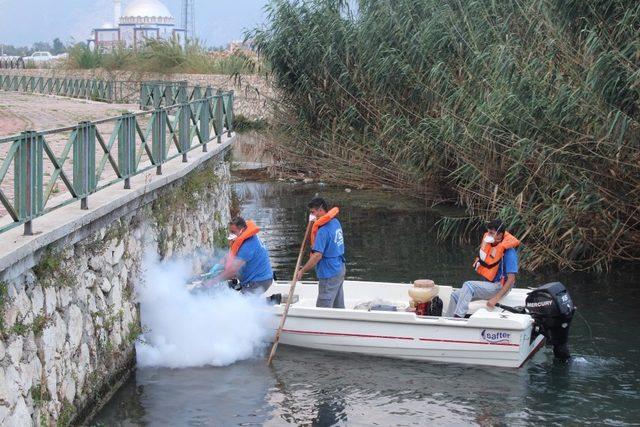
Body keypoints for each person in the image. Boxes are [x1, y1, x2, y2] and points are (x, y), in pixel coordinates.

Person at [445, 219, 520, 318]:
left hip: (499, 287)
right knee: (455, 296)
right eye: (488, 232)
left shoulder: (509, 252)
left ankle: (458, 318)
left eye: (492, 233)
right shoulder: (490, 244)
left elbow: (511, 279)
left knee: (468, 285)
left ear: (500, 235)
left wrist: (496, 299)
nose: (488, 235)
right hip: (489, 285)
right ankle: (448, 321)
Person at [296, 197, 346, 308]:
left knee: (323, 307)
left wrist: (302, 271)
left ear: (320, 210)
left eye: (313, 212)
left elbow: (317, 256)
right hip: (340, 268)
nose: (312, 215)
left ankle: (322, 325)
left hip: (329, 272)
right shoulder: (335, 222)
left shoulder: (323, 231)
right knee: (338, 303)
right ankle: (340, 323)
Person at [207, 217, 273, 295]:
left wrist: (212, 282)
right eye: (230, 231)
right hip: (255, 278)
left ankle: (269, 301)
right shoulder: (242, 238)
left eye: (233, 232)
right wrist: (217, 266)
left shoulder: (248, 246)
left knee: (238, 304)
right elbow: (230, 255)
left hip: (260, 282)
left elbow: (232, 272)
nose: (231, 234)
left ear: (242, 229)